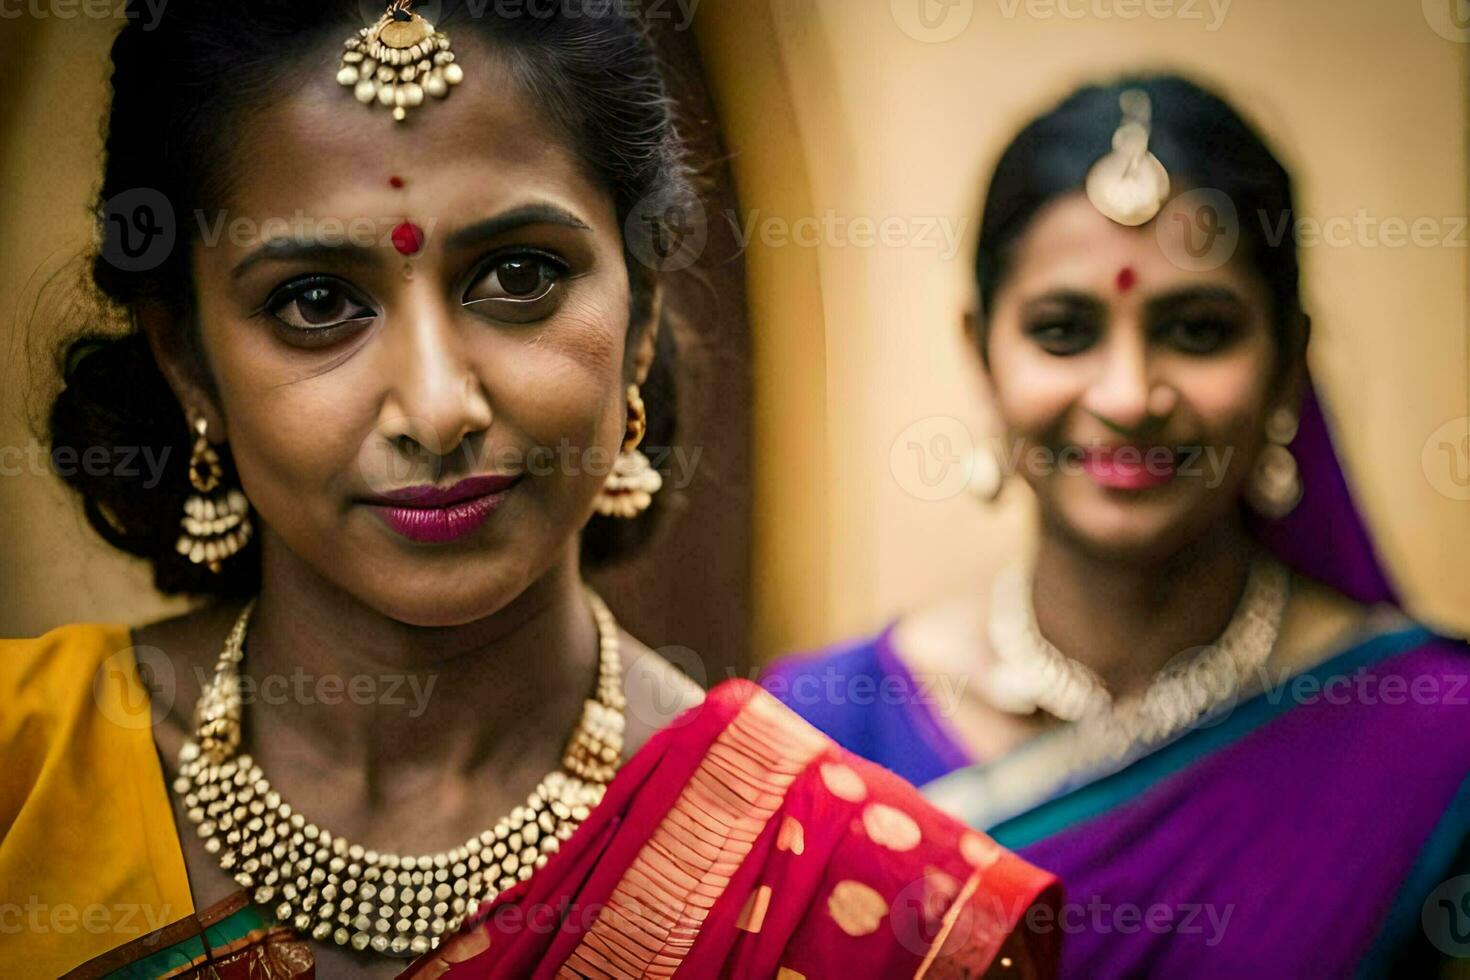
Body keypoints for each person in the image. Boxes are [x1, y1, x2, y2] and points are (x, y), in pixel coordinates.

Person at [0, 2, 1061, 977]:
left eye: (518, 277)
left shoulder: (862, 900)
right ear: (187, 358)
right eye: (317, 300)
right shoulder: (27, 769)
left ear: (642, 314)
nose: (436, 404)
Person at [763, 74, 1470, 976]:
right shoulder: (822, 736)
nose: (1129, 395)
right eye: (1064, 332)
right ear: (981, 353)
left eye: (1198, 331)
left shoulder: (1430, 740)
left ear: (1289, 360)